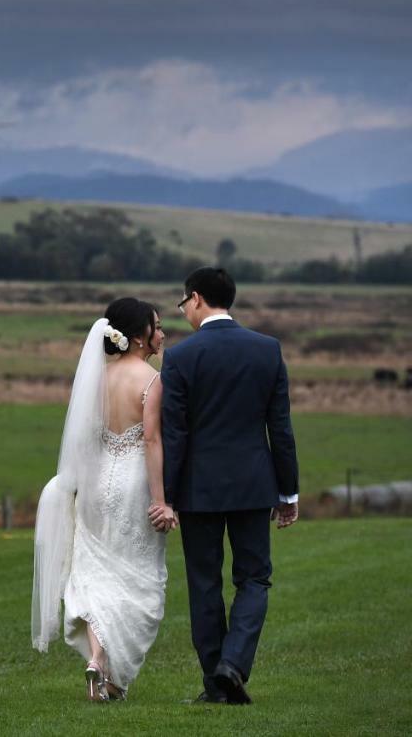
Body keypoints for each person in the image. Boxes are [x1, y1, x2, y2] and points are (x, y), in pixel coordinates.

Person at [151, 267, 299, 705]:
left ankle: (217, 684)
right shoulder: (267, 350)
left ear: (196, 299)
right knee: (254, 578)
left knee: (204, 583)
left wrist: (169, 497)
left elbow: (174, 434)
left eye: (183, 303)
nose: (183, 312)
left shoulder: (179, 357)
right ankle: (231, 667)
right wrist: (288, 492)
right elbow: (281, 429)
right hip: (255, 484)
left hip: (198, 489)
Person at [32, 297, 177, 701]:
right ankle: (109, 671)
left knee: (97, 572)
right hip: (134, 483)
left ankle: (99, 661)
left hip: (95, 483)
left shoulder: (97, 378)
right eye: (158, 326)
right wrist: (162, 500)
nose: (163, 333)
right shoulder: (152, 379)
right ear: (138, 337)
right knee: (138, 580)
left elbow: (84, 435)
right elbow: (151, 440)